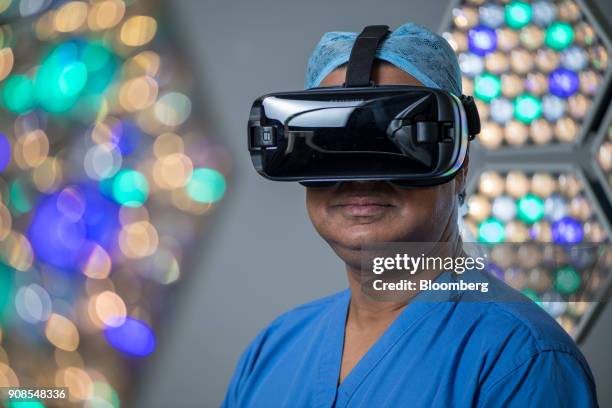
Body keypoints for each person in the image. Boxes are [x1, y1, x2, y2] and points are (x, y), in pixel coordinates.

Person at [222, 23, 598, 407]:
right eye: (329, 144)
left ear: (460, 162)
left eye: (395, 141)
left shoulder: (521, 363)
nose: (359, 178)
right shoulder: (271, 352)